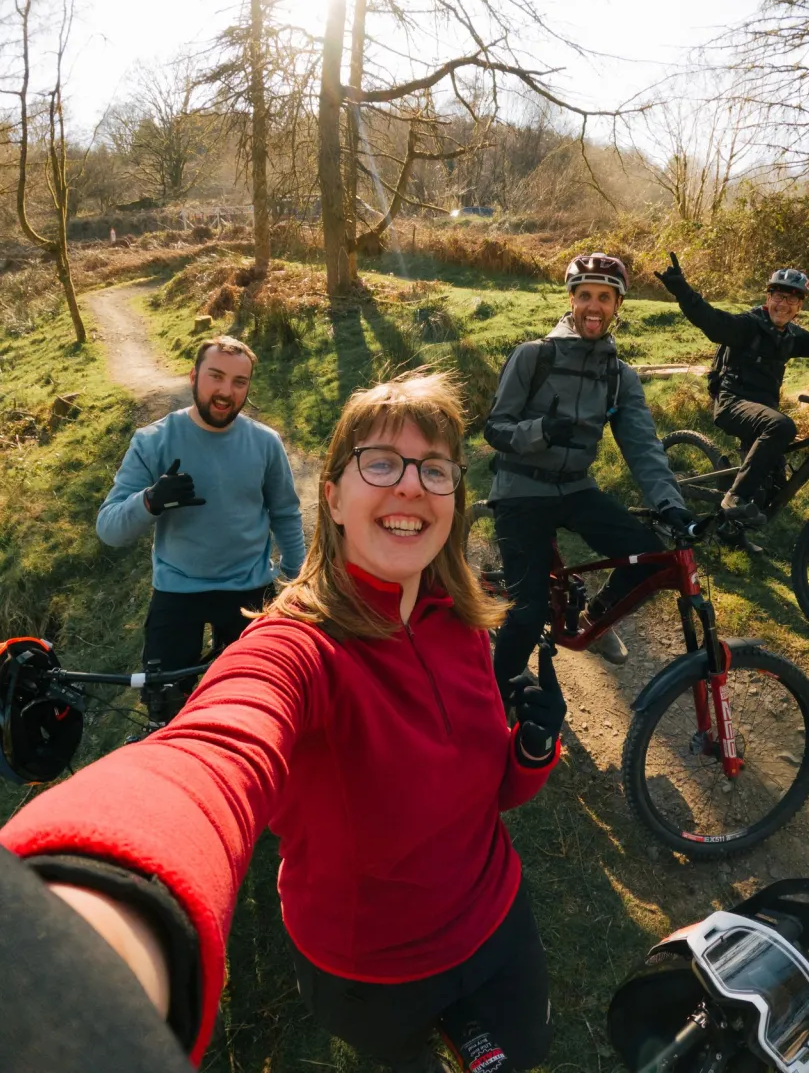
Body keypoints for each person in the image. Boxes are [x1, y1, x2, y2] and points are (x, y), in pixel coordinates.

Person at [0, 371, 567, 1073]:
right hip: (372, 970)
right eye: (381, 462)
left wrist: (533, 748)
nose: (411, 485)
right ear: (332, 496)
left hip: (496, 918)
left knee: (530, 1051)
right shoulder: (299, 645)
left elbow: (491, 792)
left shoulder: (463, 618)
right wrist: (85, 906)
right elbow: (215, 747)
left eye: (435, 468)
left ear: (454, 498)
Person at [484, 253, 693, 700]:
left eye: (604, 297)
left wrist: (670, 503)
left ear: (618, 304)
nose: (593, 306)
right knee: (526, 613)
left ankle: (592, 621)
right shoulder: (532, 356)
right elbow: (495, 429)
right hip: (520, 489)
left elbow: (642, 445)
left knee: (650, 558)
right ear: (571, 300)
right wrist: (540, 431)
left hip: (575, 487)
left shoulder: (618, 376)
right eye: (584, 296)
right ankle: (491, 703)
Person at [96, 335, 306, 713]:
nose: (226, 391)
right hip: (178, 590)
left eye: (239, 382)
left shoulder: (266, 443)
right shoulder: (152, 442)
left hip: (250, 589)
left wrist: (295, 582)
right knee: (166, 709)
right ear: (193, 376)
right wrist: (149, 501)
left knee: (258, 705)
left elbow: (285, 514)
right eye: (216, 376)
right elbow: (109, 530)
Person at [655, 254, 809, 525]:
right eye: (778, 296)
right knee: (782, 427)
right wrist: (682, 290)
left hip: (764, 412)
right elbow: (710, 320)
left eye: (792, 299)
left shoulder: (792, 337)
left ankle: (731, 531)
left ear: (799, 306)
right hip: (733, 403)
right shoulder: (748, 326)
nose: (783, 305)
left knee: (772, 487)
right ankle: (734, 497)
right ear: (768, 298)